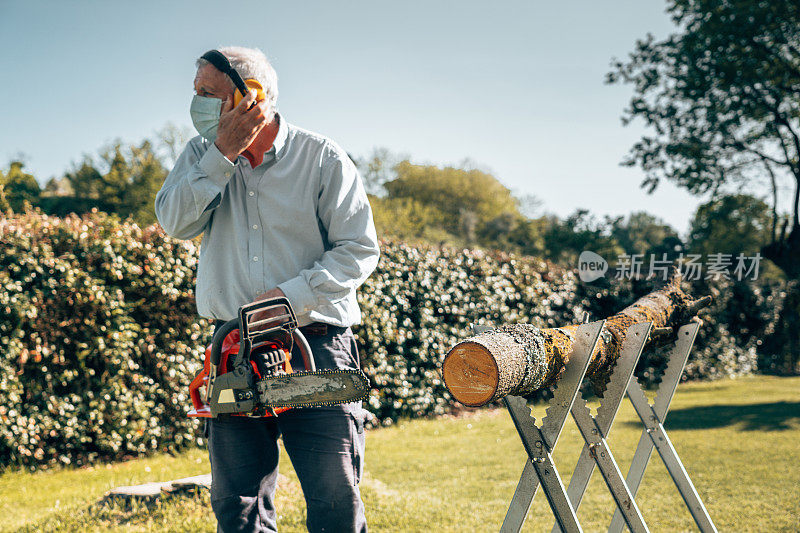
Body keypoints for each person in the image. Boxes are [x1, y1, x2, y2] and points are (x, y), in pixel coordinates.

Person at [154, 46, 380, 533]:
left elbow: (358, 249)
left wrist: (291, 297)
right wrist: (222, 155)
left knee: (333, 495)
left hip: (314, 344)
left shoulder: (321, 158)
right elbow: (174, 222)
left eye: (206, 93)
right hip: (233, 349)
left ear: (249, 96)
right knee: (238, 506)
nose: (196, 103)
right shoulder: (199, 156)